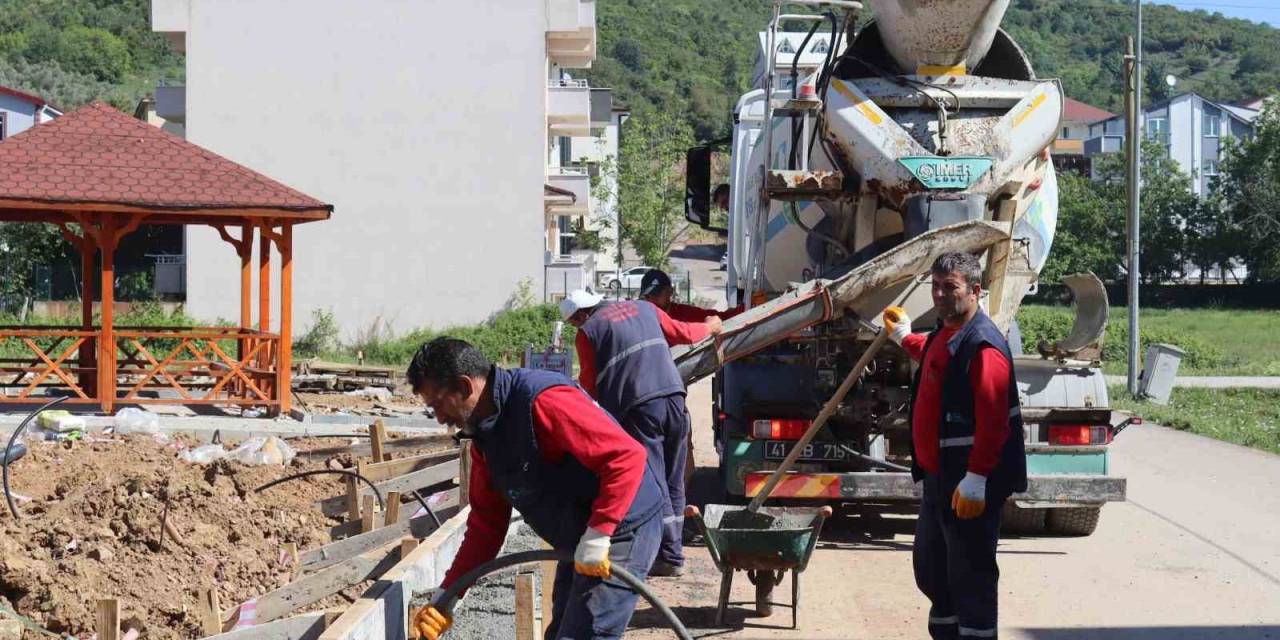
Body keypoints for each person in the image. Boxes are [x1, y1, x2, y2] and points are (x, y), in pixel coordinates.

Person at [407, 337, 665, 640]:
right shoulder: (485, 438)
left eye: (437, 403)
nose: (438, 418)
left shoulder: (542, 401)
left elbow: (625, 457)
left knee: (589, 635)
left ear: (464, 386)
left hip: (623, 525)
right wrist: (445, 598)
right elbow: (486, 527)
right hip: (582, 534)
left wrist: (600, 533)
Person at [881, 252, 1027, 640]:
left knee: (970, 574)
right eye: (936, 287)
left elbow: (995, 422)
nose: (941, 295)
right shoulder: (949, 333)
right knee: (932, 569)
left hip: (967, 483)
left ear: (975, 291)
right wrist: (904, 337)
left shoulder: (984, 347)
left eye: (951, 287)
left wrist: (977, 477)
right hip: (939, 479)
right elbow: (935, 354)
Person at [561, 289, 721, 577]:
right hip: (674, 398)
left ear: (581, 315)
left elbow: (589, 384)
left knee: (655, 482)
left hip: (637, 410)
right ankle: (673, 554)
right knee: (674, 481)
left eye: (575, 322)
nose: (577, 327)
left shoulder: (588, 332)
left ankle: (667, 557)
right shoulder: (645, 308)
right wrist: (711, 327)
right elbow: (684, 332)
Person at [638, 269, 744, 323]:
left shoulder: (685, 314)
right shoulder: (638, 321)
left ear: (670, 291)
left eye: (657, 294)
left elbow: (721, 318)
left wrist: (748, 305)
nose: (651, 301)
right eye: (647, 296)